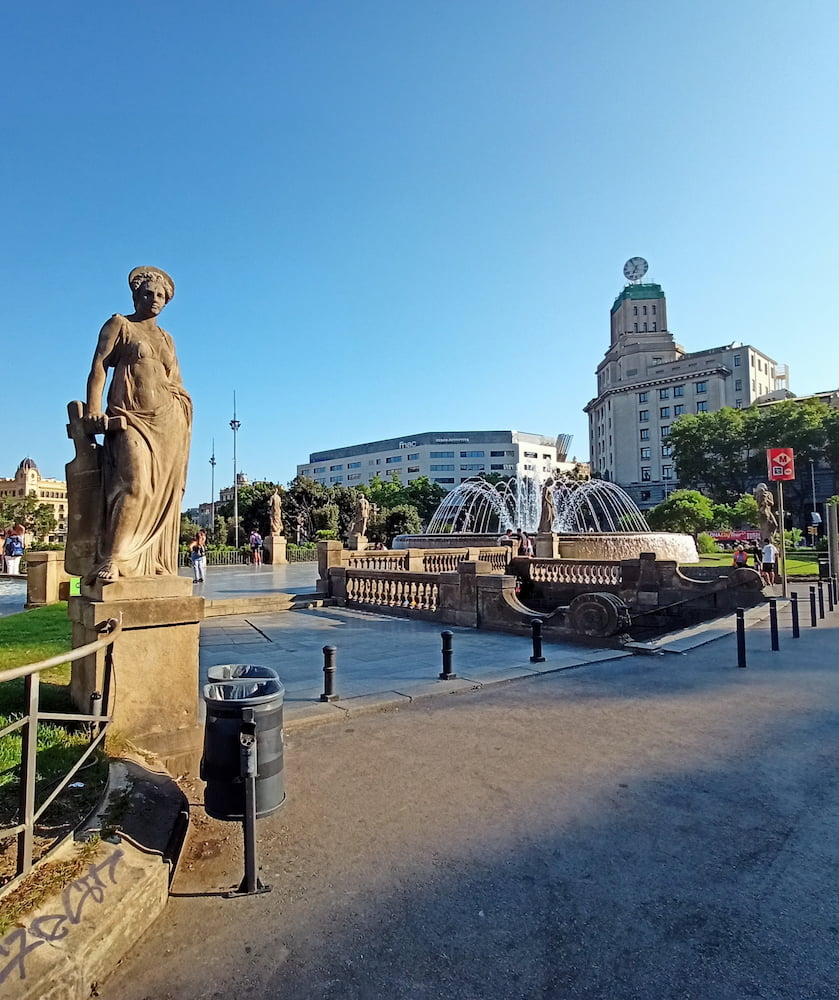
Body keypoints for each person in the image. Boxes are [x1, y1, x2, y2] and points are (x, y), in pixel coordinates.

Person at [83, 267, 192, 581]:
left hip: (169, 422)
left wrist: (182, 408)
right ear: (136, 296)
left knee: (163, 495)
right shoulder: (120, 324)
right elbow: (99, 367)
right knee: (137, 487)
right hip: (130, 418)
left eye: (160, 296)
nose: (154, 299)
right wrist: (93, 409)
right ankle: (113, 558)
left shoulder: (167, 339)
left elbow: (176, 380)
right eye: (148, 294)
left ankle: (150, 560)